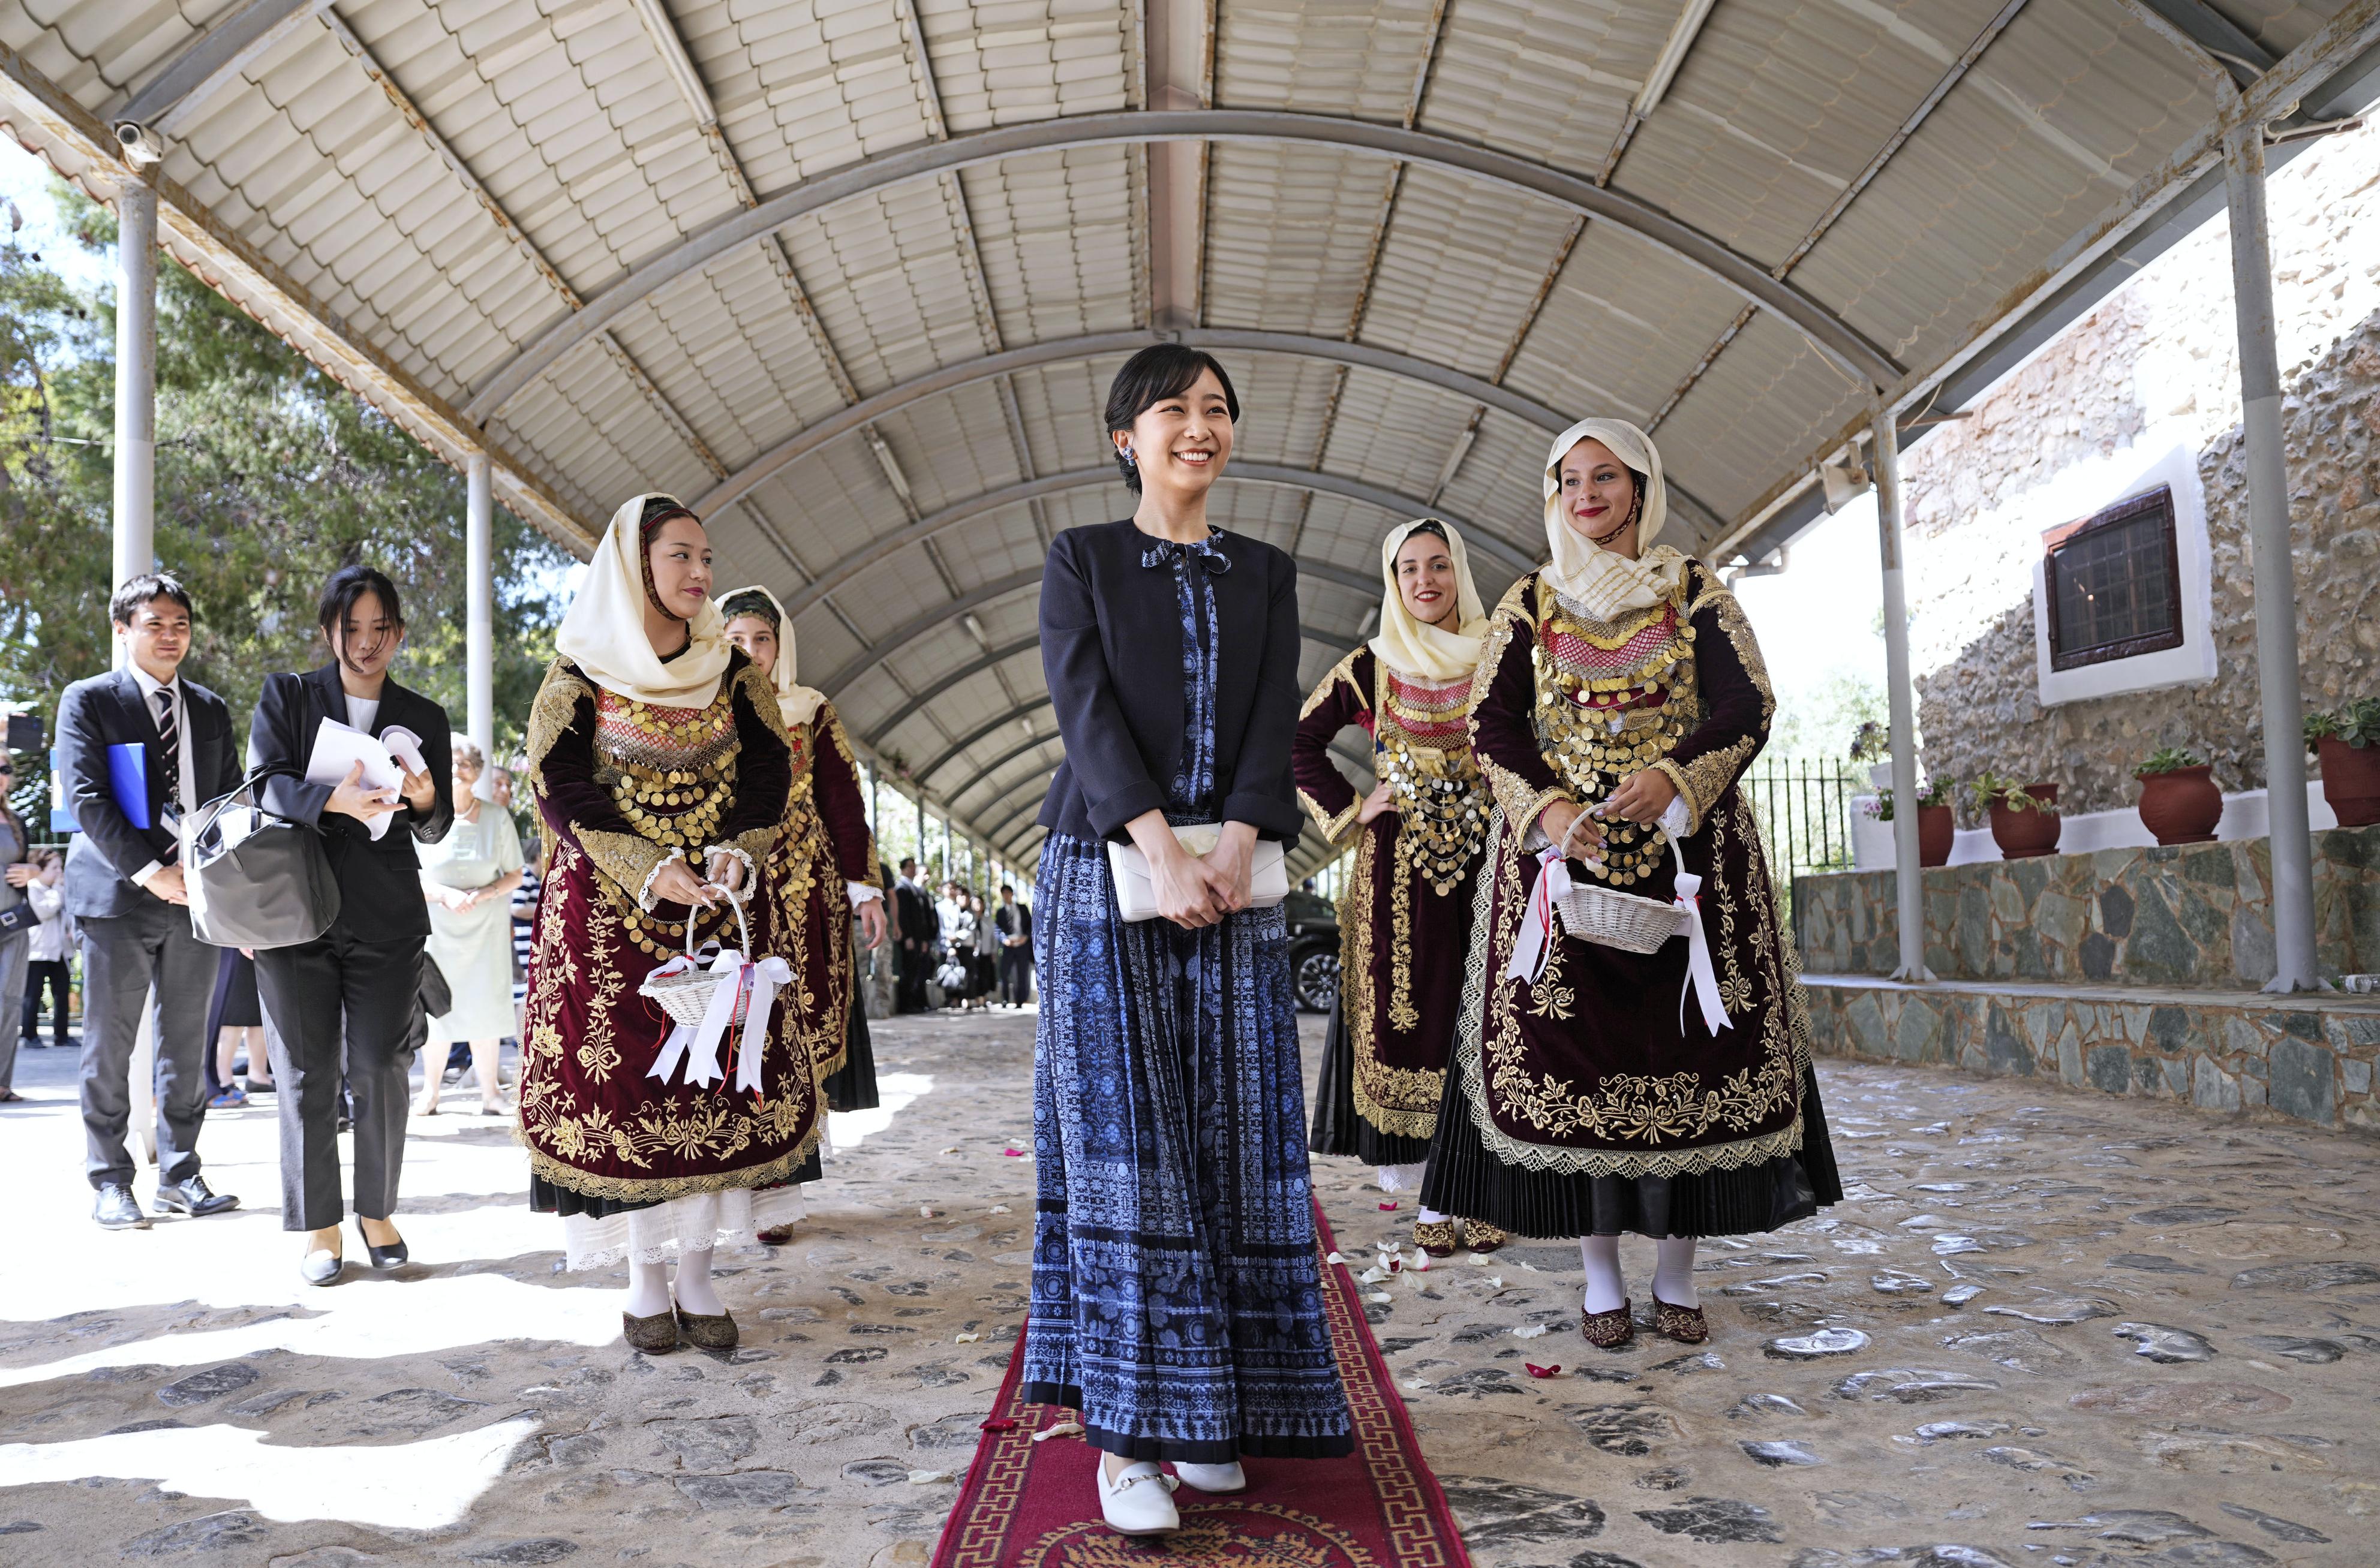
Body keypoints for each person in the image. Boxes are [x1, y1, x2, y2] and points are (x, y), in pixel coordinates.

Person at [1419, 417, 1843, 1350]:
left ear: (1641, 489)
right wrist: (1551, 811)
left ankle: (1679, 1275)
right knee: (1581, 1065)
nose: (1587, 495)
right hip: (1562, 867)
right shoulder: (1531, 601)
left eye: (1605, 476)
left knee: (1688, 1057)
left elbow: (1746, 702)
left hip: (1690, 865)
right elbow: (1493, 726)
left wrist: (1676, 777)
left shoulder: (1691, 587)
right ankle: (1601, 1275)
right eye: (1569, 480)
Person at [1025, 344, 1350, 1539]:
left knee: (1231, 1145)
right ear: (1126, 435)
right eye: (1174, 409)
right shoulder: (1084, 559)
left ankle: (1211, 1413)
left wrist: (1235, 846)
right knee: (1125, 1153)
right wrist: (1161, 851)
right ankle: (1123, 1437)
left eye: (1216, 408)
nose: (1198, 427)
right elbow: (1085, 708)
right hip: (1108, 877)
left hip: (1234, 878)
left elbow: (1275, 715)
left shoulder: (1265, 570)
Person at [519, 495, 812, 1355]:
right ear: (634, 565)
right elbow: (558, 786)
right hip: (613, 922)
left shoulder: (732, 671)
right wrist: (645, 865)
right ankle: (644, 1277)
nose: (701, 575)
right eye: (682, 556)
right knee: (633, 1092)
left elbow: (770, 771)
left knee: (716, 1085)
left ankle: (697, 1271)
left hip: (718, 908)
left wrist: (738, 851)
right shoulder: (577, 674)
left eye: (708, 560)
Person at [1294, 518, 1506, 1259]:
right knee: (1413, 1017)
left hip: (1490, 858)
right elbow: (1298, 740)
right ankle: (1431, 1198)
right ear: (1392, 582)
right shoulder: (1371, 664)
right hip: (1400, 875)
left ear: (1459, 572)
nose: (1424, 581)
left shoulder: (1501, 655)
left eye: (1439, 565)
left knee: (1487, 1013)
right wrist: (1356, 806)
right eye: (1409, 568)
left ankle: (1483, 1187)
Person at [251, 564, 454, 1285]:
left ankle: (377, 1211)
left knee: (379, 1066)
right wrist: (329, 801)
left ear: (398, 631)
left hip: (389, 916)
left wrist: (428, 802)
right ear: (328, 629)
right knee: (306, 1074)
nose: (366, 643)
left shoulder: (424, 714)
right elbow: (264, 784)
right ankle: (321, 1227)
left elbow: (435, 827)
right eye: (352, 628)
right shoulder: (288, 695)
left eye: (380, 628)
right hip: (293, 912)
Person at [55, 575, 244, 1225]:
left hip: (196, 897)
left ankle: (181, 1171)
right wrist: (149, 872)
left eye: (181, 623)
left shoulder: (212, 709)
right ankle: (110, 1178)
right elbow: (87, 799)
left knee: (187, 1043)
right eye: (154, 622)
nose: (170, 635)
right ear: (123, 629)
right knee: (109, 1042)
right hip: (117, 896)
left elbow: (227, 803)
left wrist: (221, 887)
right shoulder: (89, 700)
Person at [716, 582, 887, 1245]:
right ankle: (734, 1176)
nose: (752, 652)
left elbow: (843, 799)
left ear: (780, 646)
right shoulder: (700, 710)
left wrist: (861, 887)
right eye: (736, 641)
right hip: (731, 892)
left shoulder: (809, 709)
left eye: (763, 639)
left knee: (795, 1024)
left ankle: (781, 1185)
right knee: (735, 1027)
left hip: (804, 894)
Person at [417, 739, 525, 1116]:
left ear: (477, 772)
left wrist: (482, 894)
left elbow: (515, 875)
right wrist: (445, 895)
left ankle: (490, 1094)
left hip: (486, 931)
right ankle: (430, 1092)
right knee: (437, 1010)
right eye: (448, 764)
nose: (455, 770)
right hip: (439, 933)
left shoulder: (497, 818)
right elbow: (410, 877)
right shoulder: (423, 818)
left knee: (485, 1009)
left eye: (463, 764)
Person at [19, 850, 73, 1055]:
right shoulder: (34, 888)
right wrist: (59, 889)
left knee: (62, 994)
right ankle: (30, 1035)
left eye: (61, 867)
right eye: (54, 868)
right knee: (32, 994)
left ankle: (62, 1035)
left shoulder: (58, 889)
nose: (60, 873)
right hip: (38, 951)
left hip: (60, 950)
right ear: (40, 870)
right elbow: (45, 912)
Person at [202, 948, 268, 1108]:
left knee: (258, 1010)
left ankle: (254, 1075)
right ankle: (221, 1079)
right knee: (232, 1014)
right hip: (231, 937)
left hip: (255, 935)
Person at [0, 769, 30, 1104]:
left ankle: (2, 1083)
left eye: (5, 770)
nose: (0, 776)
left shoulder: (17, 821)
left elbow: (31, 863)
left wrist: (34, 871)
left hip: (12, 923)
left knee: (8, 1004)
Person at [892, 858, 934, 1013]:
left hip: (918, 937)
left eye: (914, 866)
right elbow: (903, 915)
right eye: (909, 866)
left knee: (916, 970)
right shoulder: (902, 888)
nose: (912, 869)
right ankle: (905, 1005)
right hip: (909, 938)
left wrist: (923, 939)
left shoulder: (915, 889)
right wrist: (908, 937)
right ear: (902, 869)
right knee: (908, 970)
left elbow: (921, 917)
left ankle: (914, 1003)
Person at [993, 882, 1032, 1007]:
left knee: (1022, 973)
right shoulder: (1000, 912)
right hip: (1008, 945)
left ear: (1012, 894)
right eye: (1003, 893)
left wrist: (1025, 938)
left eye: (1008, 893)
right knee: (1004, 972)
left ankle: (1020, 1001)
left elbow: (1030, 925)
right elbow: (997, 929)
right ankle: (1005, 999)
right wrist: (1004, 940)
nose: (1006, 896)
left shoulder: (1022, 908)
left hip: (1022, 944)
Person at [968, 890, 999, 1011]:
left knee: (985, 975)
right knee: (974, 975)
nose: (977, 906)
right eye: (975, 903)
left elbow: (994, 937)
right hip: (972, 952)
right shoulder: (969, 919)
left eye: (979, 903)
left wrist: (994, 951)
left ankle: (984, 997)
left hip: (986, 952)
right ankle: (975, 997)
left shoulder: (989, 920)